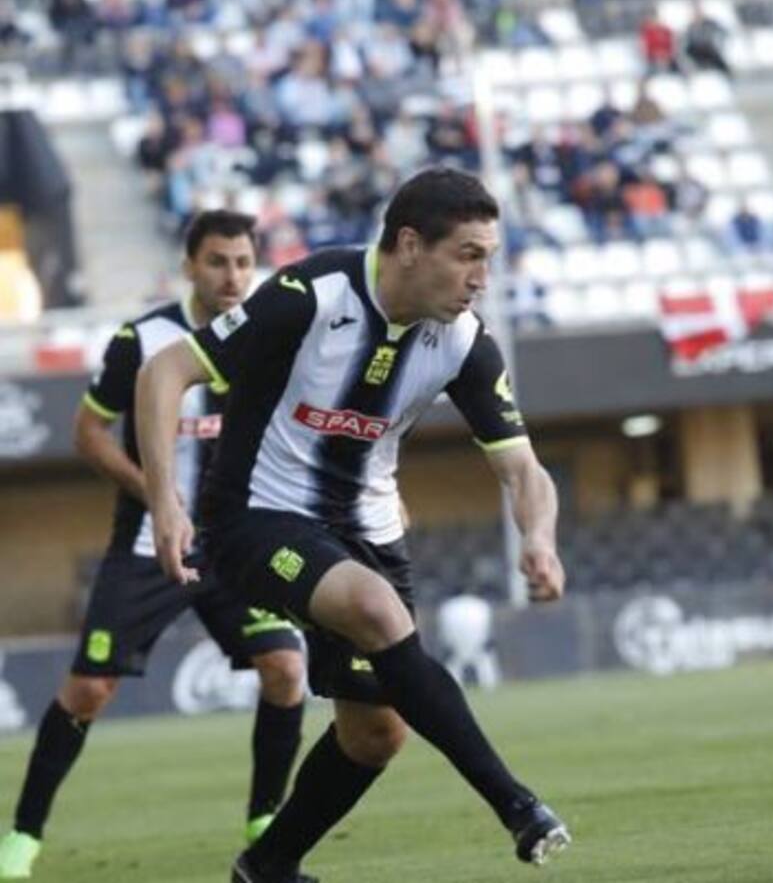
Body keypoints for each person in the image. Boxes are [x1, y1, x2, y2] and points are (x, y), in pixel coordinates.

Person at [136, 168, 571, 882]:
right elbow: (164, 373)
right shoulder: (311, 295)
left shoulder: (462, 340)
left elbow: (523, 468)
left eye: (488, 257)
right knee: (375, 608)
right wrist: (165, 503)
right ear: (408, 244)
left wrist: (540, 537)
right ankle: (517, 806)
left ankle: (267, 867)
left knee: (375, 734)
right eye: (467, 254)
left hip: (369, 529)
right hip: (255, 517)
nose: (481, 277)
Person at [0, 210, 307, 880]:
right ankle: (21, 837)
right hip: (147, 544)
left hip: (235, 546)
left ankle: (263, 820)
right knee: (88, 690)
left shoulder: (270, 337)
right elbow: (89, 432)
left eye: (244, 263)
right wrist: (160, 496)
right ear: (190, 266)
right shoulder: (142, 340)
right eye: (218, 262)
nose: (232, 276)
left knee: (285, 670)